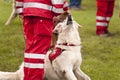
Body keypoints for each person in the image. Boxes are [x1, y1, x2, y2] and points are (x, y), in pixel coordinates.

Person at [15, 0, 69, 80]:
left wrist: (20, 11)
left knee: (30, 50)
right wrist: (56, 13)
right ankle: (34, 78)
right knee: (38, 52)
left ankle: (28, 77)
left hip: (28, 15)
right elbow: (58, 2)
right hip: (44, 16)